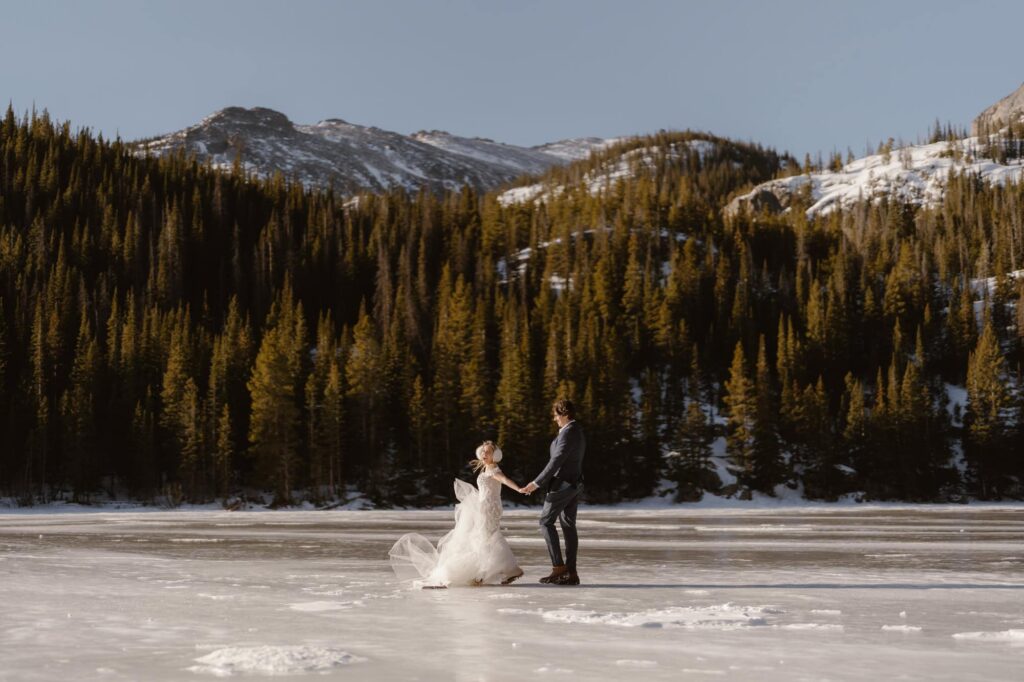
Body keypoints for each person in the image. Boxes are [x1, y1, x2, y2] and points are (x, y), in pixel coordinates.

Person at [389, 441, 525, 588]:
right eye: (483, 451)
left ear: (495, 455)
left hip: (490, 508)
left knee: (486, 538)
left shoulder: (493, 469)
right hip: (484, 506)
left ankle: (487, 573)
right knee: (487, 537)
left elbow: (504, 479)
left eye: (489, 452)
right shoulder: (486, 469)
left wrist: (518, 488)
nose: (485, 454)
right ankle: (506, 570)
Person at [521, 398, 585, 586]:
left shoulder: (569, 432)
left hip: (563, 484)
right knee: (568, 525)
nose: (554, 419)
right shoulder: (575, 431)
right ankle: (571, 572)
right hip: (574, 484)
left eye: (556, 415)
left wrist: (536, 483)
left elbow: (556, 460)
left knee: (545, 521)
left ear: (565, 414)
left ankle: (559, 569)